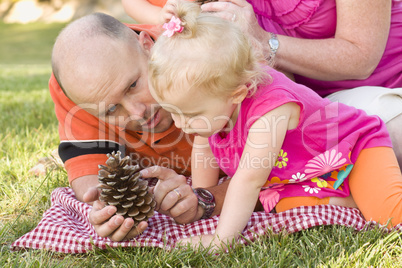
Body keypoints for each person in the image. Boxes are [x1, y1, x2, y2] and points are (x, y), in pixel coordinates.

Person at [147, 1, 402, 250]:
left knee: (391, 218)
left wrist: (221, 240)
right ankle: (356, 196)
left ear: (237, 94)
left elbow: (249, 180)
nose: (182, 124)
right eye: (173, 112)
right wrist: (199, 201)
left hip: (352, 150)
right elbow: (204, 152)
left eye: (190, 115)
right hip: (304, 174)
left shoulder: (271, 108)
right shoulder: (212, 107)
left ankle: (371, 191)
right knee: (290, 209)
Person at [122, 0, 402, 169]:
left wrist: (263, 40)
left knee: (383, 135)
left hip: (376, 90)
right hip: (292, 99)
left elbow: (360, 60)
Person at [50, 12, 233, 242]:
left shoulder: (213, 58)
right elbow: (89, 169)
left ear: (147, 45)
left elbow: (281, 170)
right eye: (111, 110)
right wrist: (109, 208)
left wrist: (204, 200)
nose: (137, 113)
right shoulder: (76, 84)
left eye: (133, 85)